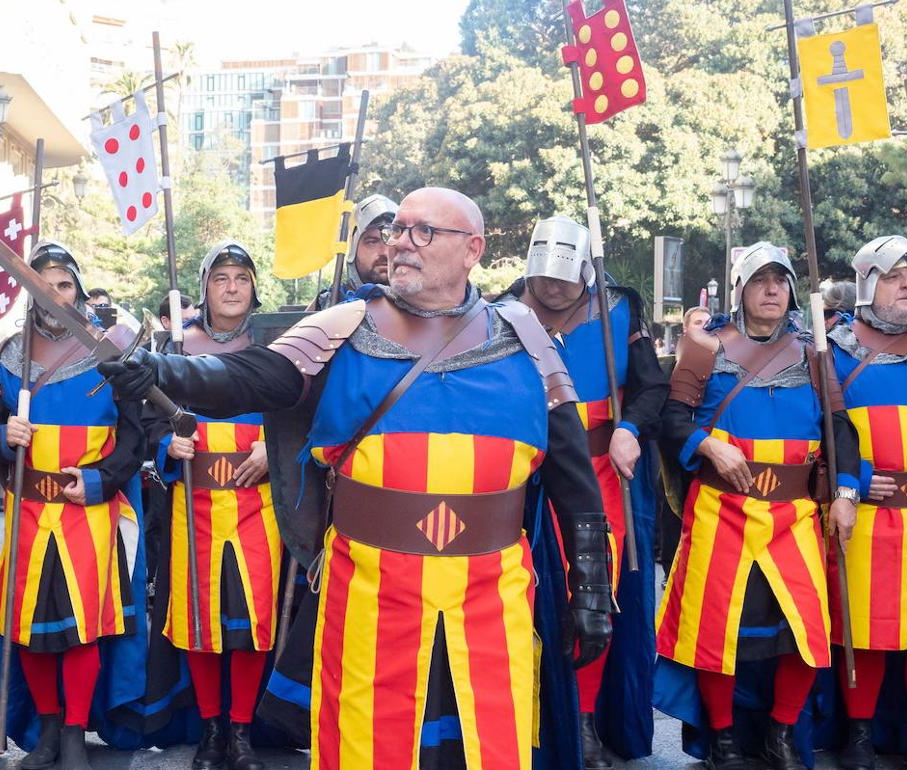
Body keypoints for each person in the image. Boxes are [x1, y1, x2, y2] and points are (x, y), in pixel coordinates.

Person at [102, 187, 613, 770]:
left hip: (492, 597)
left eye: (423, 231)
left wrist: (591, 592)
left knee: (487, 744)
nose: (401, 243)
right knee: (367, 746)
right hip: (372, 593)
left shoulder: (524, 335)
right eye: (398, 229)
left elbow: (575, 480)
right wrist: (164, 370)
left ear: (472, 249)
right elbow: (252, 376)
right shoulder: (345, 326)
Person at [656, 242, 861, 770]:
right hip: (721, 513)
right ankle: (722, 739)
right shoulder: (707, 349)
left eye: (781, 280)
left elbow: (839, 429)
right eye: (761, 280)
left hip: (794, 517)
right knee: (714, 631)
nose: (773, 289)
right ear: (742, 288)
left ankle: (783, 732)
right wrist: (707, 444)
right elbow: (673, 419)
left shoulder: (814, 354)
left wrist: (845, 492)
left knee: (807, 634)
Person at [502, 214, 667, 768]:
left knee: (595, 593)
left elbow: (651, 389)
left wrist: (629, 427)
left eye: (563, 282)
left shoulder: (620, 309)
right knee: (524, 596)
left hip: (601, 472)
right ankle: (529, 720)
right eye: (543, 280)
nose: (551, 290)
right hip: (526, 475)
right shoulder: (502, 313)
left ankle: (587, 720)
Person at [0, 242, 145, 770]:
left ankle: (74, 732)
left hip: (87, 514)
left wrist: (99, 480)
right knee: (30, 628)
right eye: (42, 283)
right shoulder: (7, 356)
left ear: (79, 290)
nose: (54, 294)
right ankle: (47, 730)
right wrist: (5, 436)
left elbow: (135, 436)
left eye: (64, 284)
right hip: (28, 513)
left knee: (82, 629)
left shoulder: (109, 352)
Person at [146, 241, 278, 770]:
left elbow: (302, 408)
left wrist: (277, 447)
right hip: (191, 502)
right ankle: (210, 729)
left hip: (258, 503)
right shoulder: (176, 346)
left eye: (240, 278)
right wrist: (167, 445)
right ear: (204, 287)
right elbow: (147, 419)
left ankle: (242, 731)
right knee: (200, 622)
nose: (230, 287)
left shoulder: (279, 345)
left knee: (250, 622)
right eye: (221, 277)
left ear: (253, 287)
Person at [824, 236, 907, 770]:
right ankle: (859, 733)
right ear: (866, 284)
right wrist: (856, 477)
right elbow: (817, 432)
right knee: (869, 625)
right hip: (868, 512)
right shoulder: (833, 350)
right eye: (894, 275)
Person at [312, 194, 397, 309]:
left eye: (391, 241)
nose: (385, 252)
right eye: (372, 242)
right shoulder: (328, 302)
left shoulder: (419, 305)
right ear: (353, 248)